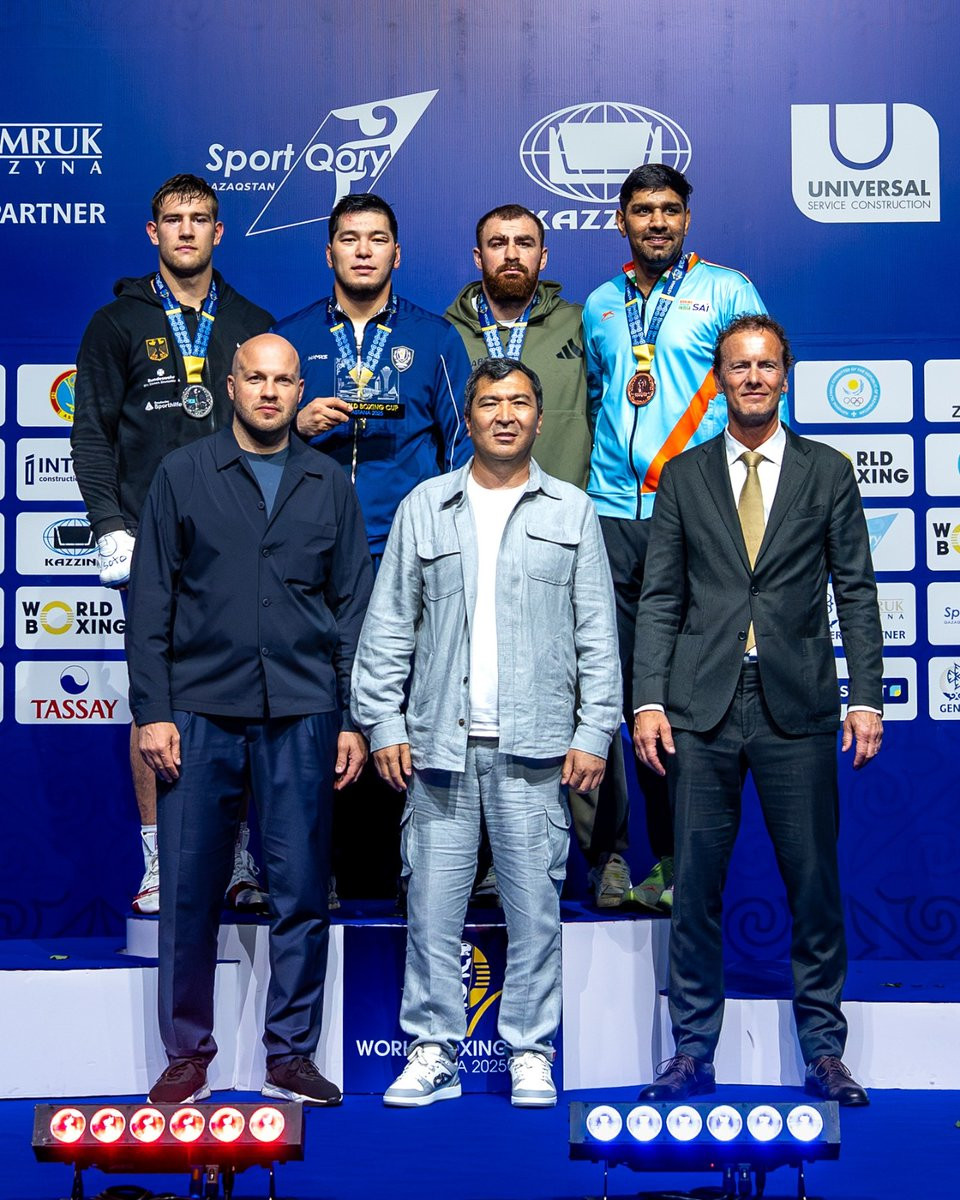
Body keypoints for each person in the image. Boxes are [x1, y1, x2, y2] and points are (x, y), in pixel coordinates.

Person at [351, 358, 620, 1108]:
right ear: (467, 420)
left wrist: (595, 730)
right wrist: (382, 721)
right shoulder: (425, 506)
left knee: (535, 912)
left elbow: (597, 634)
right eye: (491, 403)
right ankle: (432, 1051)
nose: (506, 415)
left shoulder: (572, 511)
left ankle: (531, 1051)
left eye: (521, 402)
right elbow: (388, 625)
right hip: (439, 746)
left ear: (540, 417)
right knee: (432, 910)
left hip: (535, 749)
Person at [633, 315, 882, 1106]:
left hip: (796, 706)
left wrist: (866, 696)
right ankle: (691, 1052)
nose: (752, 378)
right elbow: (660, 596)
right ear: (720, 379)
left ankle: (825, 1053)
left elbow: (856, 591)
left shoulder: (826, 470)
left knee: (813, 886)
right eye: (738, 366)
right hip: (700, 707)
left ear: (785, 375)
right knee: (695, 888)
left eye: (766, 365)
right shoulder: (683, 475)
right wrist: (648, 698)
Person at [126, 333, 373, 1106]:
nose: (269, 392)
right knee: (189, 892)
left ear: (301, 391)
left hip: (304, 710)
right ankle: (186, 1053)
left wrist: (353, 717)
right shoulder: (182, 473)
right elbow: (151, 601)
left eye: (283, 381)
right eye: (256, 378)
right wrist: (153, 713)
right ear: (231, 386)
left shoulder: (329, 484)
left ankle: (290, 1055)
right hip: (200, 708)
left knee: (302, 891)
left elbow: (352, 609)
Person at [71, 173, 273, 915]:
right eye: (173, 219)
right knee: (154, 701)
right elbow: (91, 433)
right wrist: (108, 526)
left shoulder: (250, 322)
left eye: (200, 219)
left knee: (245, 701)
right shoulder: (115, 323)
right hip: (148, 544)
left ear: (219, 232)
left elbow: (268, 434)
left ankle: (237, 859)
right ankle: (159, 861)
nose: (187, 230)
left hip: (240, 545)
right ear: (153, 233)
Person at [583, 162, 781, 911]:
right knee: (611, 694)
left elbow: (760, 398)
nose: (657, 222)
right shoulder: (600, 304)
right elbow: (600, 402)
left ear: (686, 220)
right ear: (622, 221)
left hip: (695, 517)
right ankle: (612, 857)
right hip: (611, 515)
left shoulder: (727, 291)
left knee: (685, 697)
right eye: (642, 210)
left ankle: (677, 863)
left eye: (669, 209)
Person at [446, 203, 628, 903]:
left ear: (544, 257)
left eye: (525, 242)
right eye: (497, 243)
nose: (511, 254)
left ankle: (607, 855)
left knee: (584, 688)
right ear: (478, 257)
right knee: (474, 694)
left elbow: (623, 407)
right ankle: (486, 859)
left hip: (565, 527)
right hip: (474, 527)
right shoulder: (444, 332)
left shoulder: (582, 323)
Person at [273, 192, 472, 565]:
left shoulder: (435, 338)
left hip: (408, 542)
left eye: (378, 239)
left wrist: (444, 522)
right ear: (329, 254)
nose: (363, 251)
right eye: (349, 239)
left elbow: (461, 440)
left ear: (396, 254)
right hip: (309, 540)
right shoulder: (288, 337)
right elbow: (253, 436)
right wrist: (295, 426)